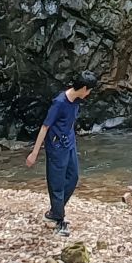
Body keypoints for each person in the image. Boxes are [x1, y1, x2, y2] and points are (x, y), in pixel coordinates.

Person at [24, 73, 94, 233]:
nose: (89, 94)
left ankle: (56, 211)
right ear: (83, 88)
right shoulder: (59, 102)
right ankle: (58, 218)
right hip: (56, 146)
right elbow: (45, 127)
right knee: (57, 182)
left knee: (73, 176)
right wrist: (34, 153)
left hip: (69, 143)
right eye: (88, 90)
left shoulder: (76, 101)